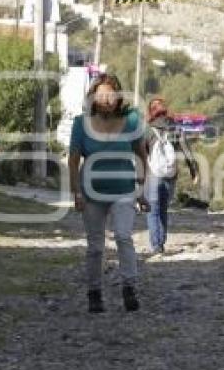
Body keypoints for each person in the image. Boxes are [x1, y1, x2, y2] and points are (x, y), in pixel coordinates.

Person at [68, 74, 149, 313]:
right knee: (95, 246)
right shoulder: (80, 123)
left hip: (124, 189)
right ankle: (94, 292)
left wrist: (142, 191)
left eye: (111, 94)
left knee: (123, 236)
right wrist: (77, 193)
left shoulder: (132, 120)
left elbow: (141, 157)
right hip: (91, 193)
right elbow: (73, 160)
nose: (106, 99)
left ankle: (129, 287)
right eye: (101, 94)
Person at [144, 98, 199, 255]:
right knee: (163, 210)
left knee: (152, 211)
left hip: (153, 175)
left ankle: (157, 246)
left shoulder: (147, 129)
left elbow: (142, 154)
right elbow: (186, 149)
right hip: (170, 174)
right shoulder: (175, 128)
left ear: (151, 111)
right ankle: (161, 241)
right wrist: (194, 170)